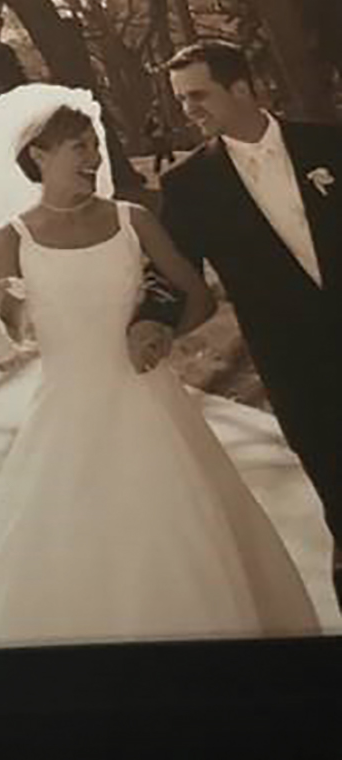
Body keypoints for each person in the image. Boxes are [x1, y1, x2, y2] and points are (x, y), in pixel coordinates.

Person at [0, 82, 319, 646]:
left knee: (178, 528)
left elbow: (199, 297)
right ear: (40, 156)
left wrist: (161, 331)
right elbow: (13, 334)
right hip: (66, 413)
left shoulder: (134, 220)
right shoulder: (12, 237)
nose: (94, 158)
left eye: (95, 145)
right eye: (79, 147)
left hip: (150, 401)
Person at [130, 39, 342, 611]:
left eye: (198, 95)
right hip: (297, 371)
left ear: (243, 88)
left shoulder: (329, 145)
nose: (187, 110)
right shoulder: (189, 184)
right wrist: (152, 320)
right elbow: (173, 271)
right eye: (181, 99)